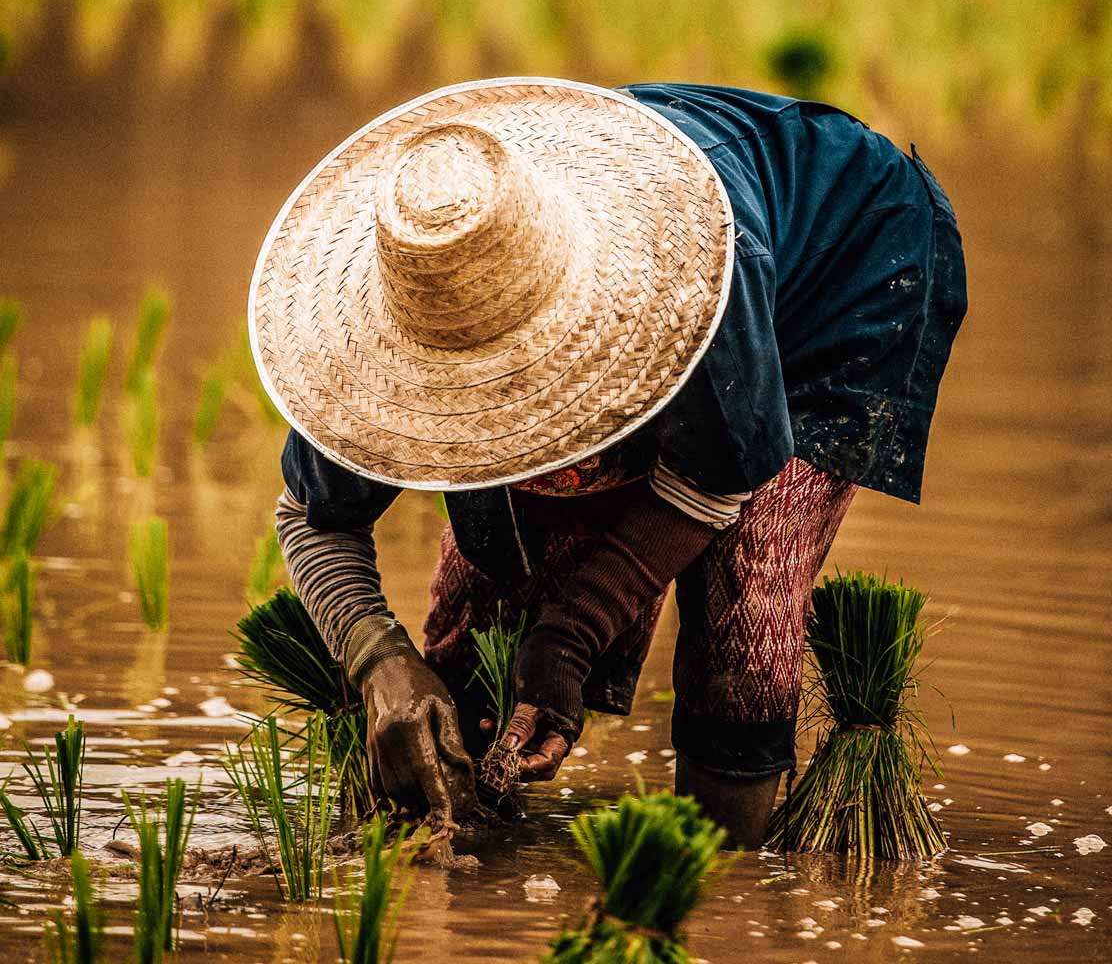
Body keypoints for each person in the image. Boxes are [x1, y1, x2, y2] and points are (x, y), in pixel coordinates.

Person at [250, 78, 967, 848]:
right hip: (642, 257)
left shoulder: (692, 284)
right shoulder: (379, 333)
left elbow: (718, 475)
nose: (499, 414)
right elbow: (311, 516)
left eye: (518, 387)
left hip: (843, 265)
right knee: (492, 586)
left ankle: (715, 871)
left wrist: (572, 637)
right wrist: (379, 663)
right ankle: (468, 824)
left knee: (747, 595)